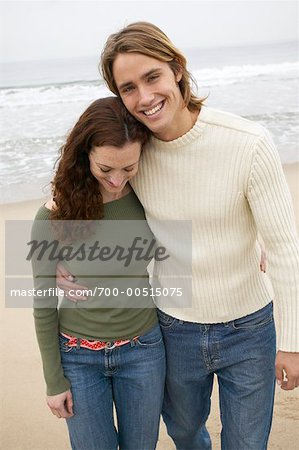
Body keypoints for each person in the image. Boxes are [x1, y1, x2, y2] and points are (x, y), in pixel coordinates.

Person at [58, 22, 299, 449]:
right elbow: (81, 183)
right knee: (185, 434)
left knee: (247, 442)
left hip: (250, 327)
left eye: (152, 77)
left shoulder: (247, 143)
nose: (145, 97)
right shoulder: (134, 158)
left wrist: (294, 342)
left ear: (177, 70)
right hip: (173, 328)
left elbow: (285, 247)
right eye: (128, 87)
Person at [31, 96, 166, 450]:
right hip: (78, 356)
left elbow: (201, 213)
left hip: (143, 350)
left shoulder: (149, 195)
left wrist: (249, 238)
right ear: (85, 153)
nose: (118, 181)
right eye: (106, 169)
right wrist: (53, 380)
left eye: (129, 168)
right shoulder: (54, 216)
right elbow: (42, 301)